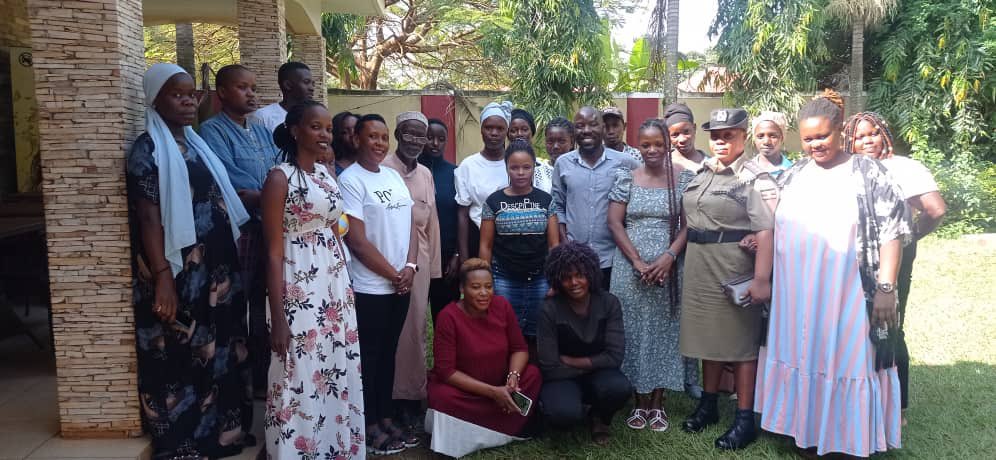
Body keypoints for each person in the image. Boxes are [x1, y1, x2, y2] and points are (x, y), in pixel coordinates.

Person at [755, 97, 910, 457]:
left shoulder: (869, 172)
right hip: (796, 291)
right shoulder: (794, 175)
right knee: (804, 352)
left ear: (841, 131)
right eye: (808, 140)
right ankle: (804, 427)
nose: (815, 145)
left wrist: (887, 287)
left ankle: (846, 436)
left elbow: (892, 232)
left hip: (849, 290)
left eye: (823, 136)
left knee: (848, 357)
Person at [128, 63, 252, 459]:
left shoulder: (197, 144)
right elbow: (148, 217)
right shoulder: (146, 149)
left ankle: (221, 434)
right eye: (175, 94)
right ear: (155, 99)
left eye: (191, 94)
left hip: (216, 268)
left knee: (220, 347)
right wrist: (163, 277)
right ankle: (184, 441)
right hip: (180, 271)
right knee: (183, 350)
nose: (187, 101)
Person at [260, 101, 365, 459]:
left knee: (334, 364)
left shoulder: (324, 174)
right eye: (315, 127)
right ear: (295, 130)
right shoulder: (279, 178)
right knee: (298, 370)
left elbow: (337, 227)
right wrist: (277, 315)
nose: (324, 135)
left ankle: (335, 449)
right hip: (296, 283)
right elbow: (272, 251)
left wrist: (343, 281)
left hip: (332, 282)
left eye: (328, 128)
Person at [679, 108, 774, 450]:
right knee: (709, 339)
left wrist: (761, 278)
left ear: (743, 137)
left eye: (729, 135)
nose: (721, 141)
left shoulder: (753, 177)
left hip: (734, 267)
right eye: (716, 135)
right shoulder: (703, 171)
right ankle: (709, 404)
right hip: (699, 265)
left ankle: (745, 419)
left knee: (740, 343)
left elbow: (766, 229)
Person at [845, 111, 946, 420]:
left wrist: (910, 236)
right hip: (853, 258)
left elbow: (935, 209)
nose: (866, 141)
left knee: (889, 325)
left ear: (885, 134)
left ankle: (896, 406)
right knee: (855, 326)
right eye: (858, 136)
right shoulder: (846, 169)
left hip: (891, 259)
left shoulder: (902, 168)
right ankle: (862, 396)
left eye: (872, 133)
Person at [198, 64, 281, 399]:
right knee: (238, 303)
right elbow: (228, 179)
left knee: (268, 303)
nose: (251, 94)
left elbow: (279, 171)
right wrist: (269, 196)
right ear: (222, 92)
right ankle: (235, 379)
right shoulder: (211, 131)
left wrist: (269, 196)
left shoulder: (262, 130)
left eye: (253, 87)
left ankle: (264, 376)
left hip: (271, 227)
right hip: (240, 230)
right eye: (242, 87)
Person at [607, 119, 696, 432]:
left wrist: (668, 257)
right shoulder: (626, 176)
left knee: (663, 332)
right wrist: (637, 262)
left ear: (667, 144)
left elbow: (688, 224)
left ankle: (658, 403)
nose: (653, 150)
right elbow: (615, 222)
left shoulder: (684, 178)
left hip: (669, 268)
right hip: (630, 268)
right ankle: (638, 401)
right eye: (646, 145)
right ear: (638, 146)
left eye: (658, 143)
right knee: (631, 331)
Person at [339, 114, 420, 455]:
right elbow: (356, 241)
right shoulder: (350, 180)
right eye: (372, 136)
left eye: (384, 137)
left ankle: (386, 415)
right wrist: (392, 274)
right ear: (356, 139)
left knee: (389, 354)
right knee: (369, 358)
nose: (379, 143)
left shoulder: (392, 175)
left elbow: (412, 224)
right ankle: (368, 423)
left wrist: (411, 267)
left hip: (401, 283)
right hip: (371, 286)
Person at [425, 259, 542, 458]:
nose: (484, 293)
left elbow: (520, 349)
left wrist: (512, 377)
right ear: (462, 288)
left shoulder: (502, 306)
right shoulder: (448, 316)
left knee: (532, 374)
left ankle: (484, 428)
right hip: (468, 392)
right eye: (476, 287)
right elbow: (446, 371)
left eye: (488, 287)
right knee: (441, 396)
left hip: (502, 384)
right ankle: (508, 426)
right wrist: (492, 393)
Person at [381, 111, 442, 436]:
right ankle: (384, 399)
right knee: (386, 332)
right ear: (397, 133)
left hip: (416, 266)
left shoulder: (426, 175)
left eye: (421, 134)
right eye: (409, 133)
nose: (416, 140)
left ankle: (410, 398)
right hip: (382, 264)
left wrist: (431, 272)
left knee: (414, 332)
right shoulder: (381, 170)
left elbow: (431, 225)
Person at [537, 242, 631, 446]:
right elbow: (548, 366)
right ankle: (578, 408)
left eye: (579, 275)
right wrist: (592, 365)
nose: (574, 282)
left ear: (591, 273)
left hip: (594, 374)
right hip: (562, 378)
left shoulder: (609, 302)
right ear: (557, 280)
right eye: (566, 277)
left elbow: (615, 356)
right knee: (563, 414)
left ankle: (600, 418)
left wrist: (571, 361)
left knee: (619, 387)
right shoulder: (549, 308)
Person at [551, 106, 640, 290]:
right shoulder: (563, 163)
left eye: (593, 124)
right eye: (580, 126)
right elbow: (557, 206)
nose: (586, 130)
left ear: (603, 127)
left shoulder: (626, 162)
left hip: (614, 259)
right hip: (575, 262)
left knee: (610, 314)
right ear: (574, 131)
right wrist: (566, 244)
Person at [479, 140, 559, 340]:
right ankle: (508, 372)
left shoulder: (546, 201)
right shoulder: (493, 202)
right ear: (507, 168)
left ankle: (533, 371)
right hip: (504, 277)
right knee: (505, 332)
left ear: (534, 168)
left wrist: (554, 280)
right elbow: (485, 246)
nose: (521, 172)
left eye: (526, 167)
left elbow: (554, 245)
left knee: (538, 333)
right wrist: (485, 281)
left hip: (540, 278)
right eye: (514, 167)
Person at [455, 101, 512, 262]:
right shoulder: (468, 166)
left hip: (511, 241)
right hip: (477, 238)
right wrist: (464, 258)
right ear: (481, 130)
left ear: (506, 131)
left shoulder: (515, 164)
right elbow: (463, 215)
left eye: (500, 129)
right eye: (489, 128)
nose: (494, 133)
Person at [419, 118, 461, 321]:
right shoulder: (409, 172)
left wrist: (457, 254)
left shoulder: (455, 173)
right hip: (414, 256)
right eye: (429, 138)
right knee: (413, 317)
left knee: (445, 317)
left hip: (446, 258)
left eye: (441, 139)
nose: (435, 143)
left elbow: (462, 217)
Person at [250, 62, 313, 133]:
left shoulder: (314, 117)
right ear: (287, 85)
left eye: (312, 83)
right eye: (306, 82)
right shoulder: (263, 117)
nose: (311, 88)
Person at [507, 107, 554, 193]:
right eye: (513, 130)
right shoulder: (501, 167)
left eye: (524, 130)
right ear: (508, 134)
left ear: (532, 132)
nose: (519, 134)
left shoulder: (546, 169)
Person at [663, 103, 709, 171]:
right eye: (675, 135)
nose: (682, 139)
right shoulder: (661, 164)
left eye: (686, 132)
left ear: (694, 128)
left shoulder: (711, 165)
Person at [750, 111, 793, 177]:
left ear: (782, 138)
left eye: (773, 136)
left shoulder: (793, 172)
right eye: (760, 136)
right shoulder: (745, 171)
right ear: (754, 139)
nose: (766, 142)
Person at [333, 111, 360, 176]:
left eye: (356, 129)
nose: (352, 134)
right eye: (345, 132)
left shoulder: (374, 164)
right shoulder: (333, 168)